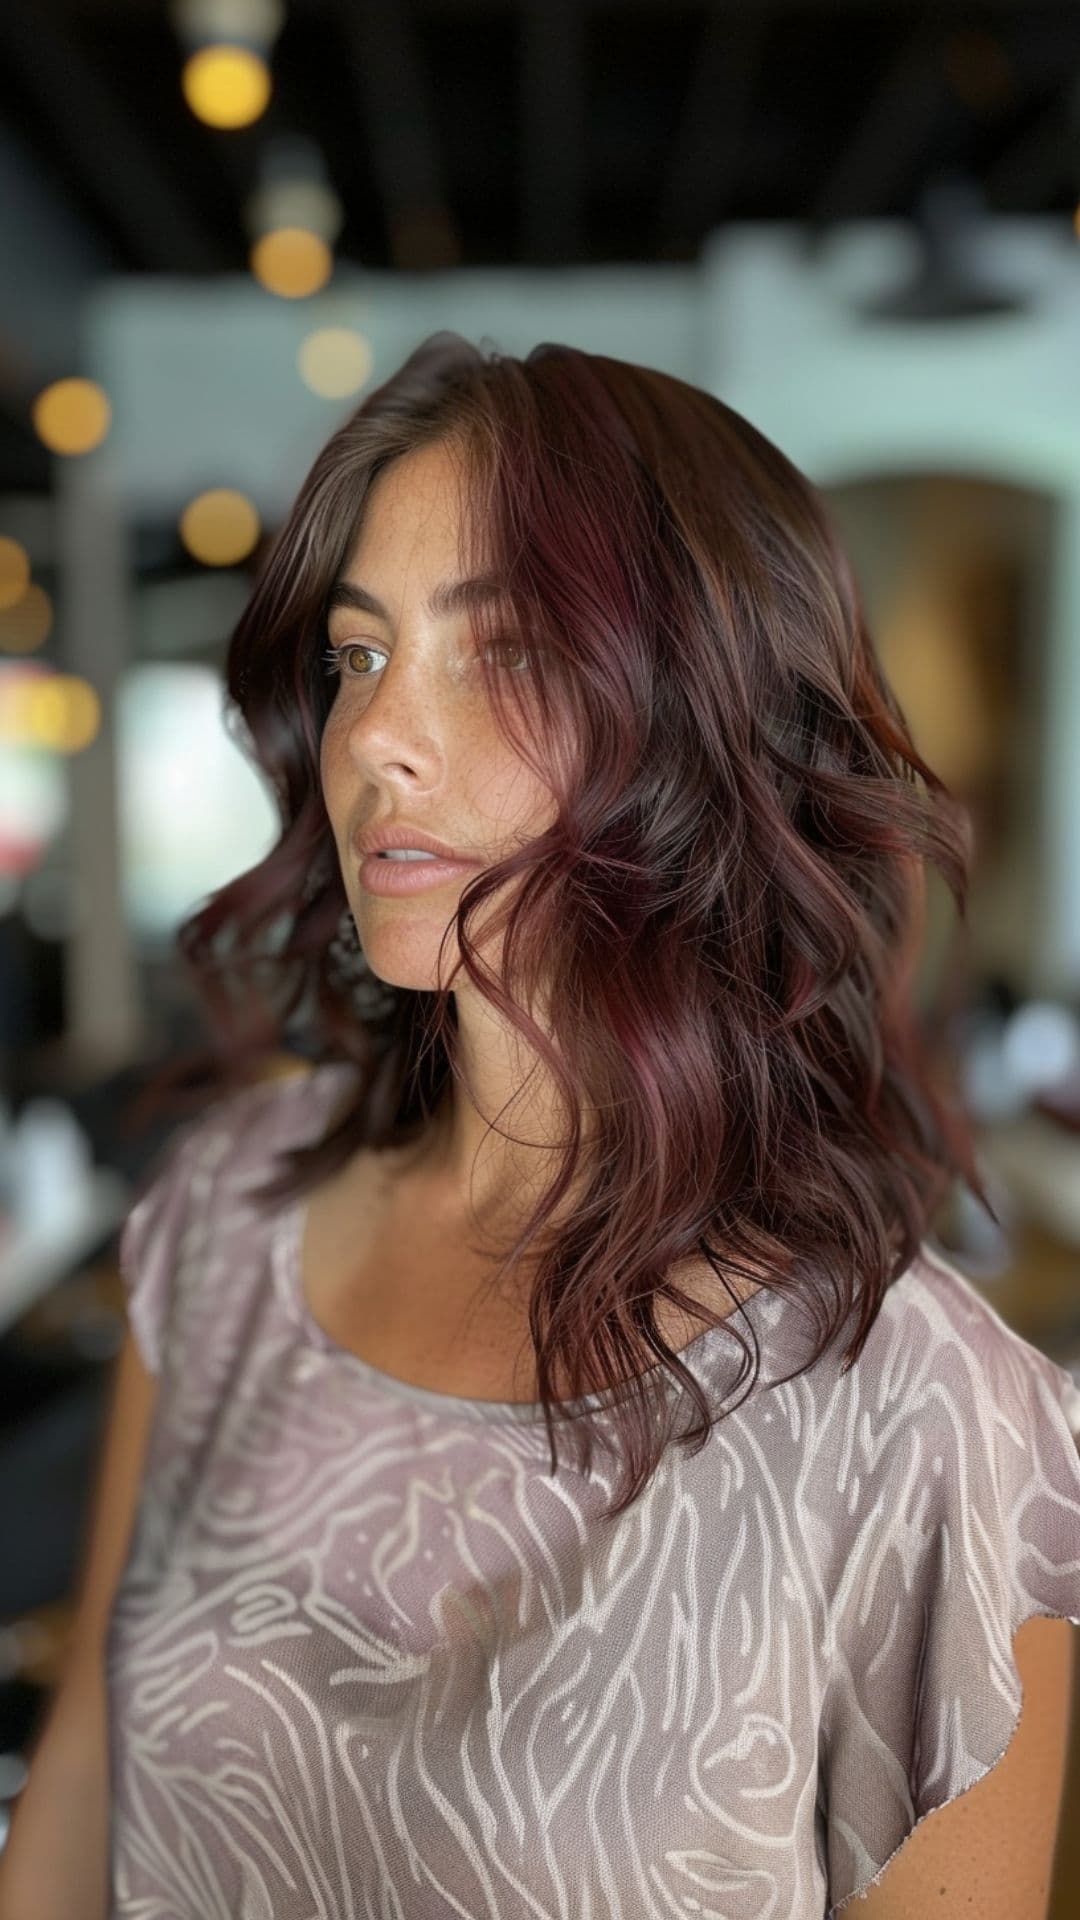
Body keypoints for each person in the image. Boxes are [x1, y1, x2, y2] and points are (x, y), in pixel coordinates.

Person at [4, 335, 1079, 1920]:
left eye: (499, 652)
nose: (375, 737)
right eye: (360, 656)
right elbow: (87, 1770)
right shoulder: (230, 1216)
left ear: (701, 723)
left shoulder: (934, 1430)